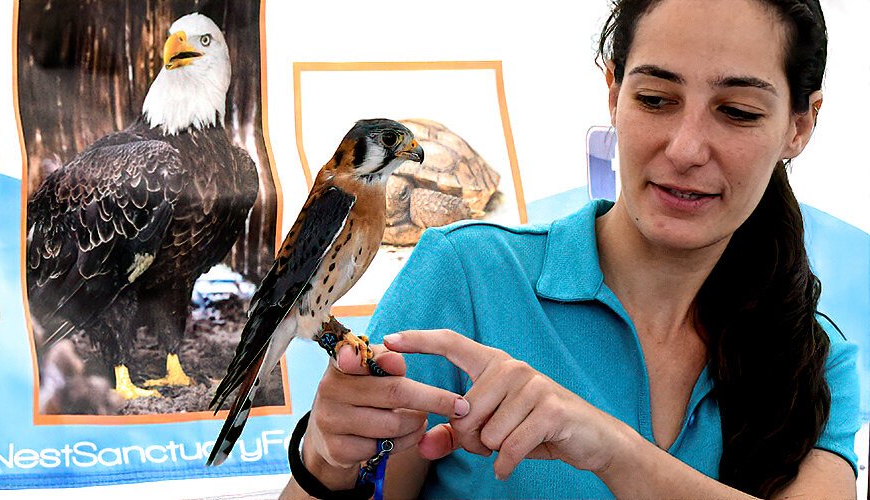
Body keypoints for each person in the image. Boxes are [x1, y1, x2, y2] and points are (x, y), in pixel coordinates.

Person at [284, 0, 861, 497]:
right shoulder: (465, 276)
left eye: (737, 111)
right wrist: (325, 461)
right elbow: (354, 475)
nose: (686, 148)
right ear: (613, 92)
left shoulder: (813, 356)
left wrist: (613, 451)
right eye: (656, 99)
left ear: (800, 125)